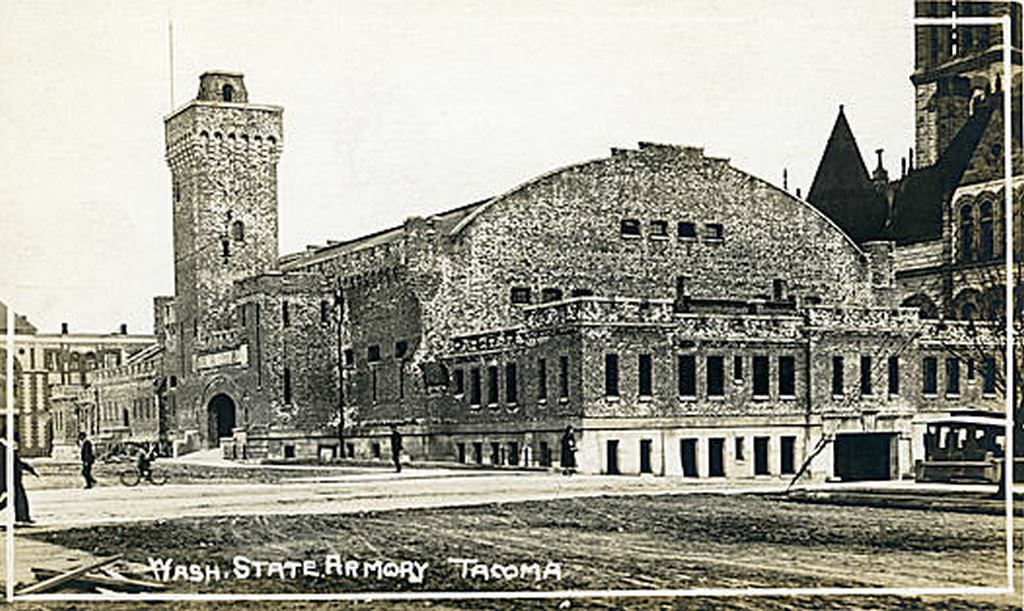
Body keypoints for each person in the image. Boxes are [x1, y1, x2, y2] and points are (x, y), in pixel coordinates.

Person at [0, 434, 39, 524]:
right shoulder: (4, 448)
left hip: (12, 479)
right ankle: (22, 517)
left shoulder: (6, 448)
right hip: (7, 479)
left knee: (17, 497)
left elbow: (17, 462)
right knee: (16, 497)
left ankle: (23, 517)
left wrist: (29, 469)